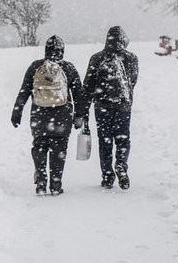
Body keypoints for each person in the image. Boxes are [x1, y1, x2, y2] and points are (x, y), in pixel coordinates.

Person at [11, 35, 87, 195]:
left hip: (39, 115)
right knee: (59, 149)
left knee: (39, 146)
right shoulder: (68, 68)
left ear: (46, 50)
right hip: (62, 117)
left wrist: (17, 110)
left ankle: (41, 181)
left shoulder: (36, 67)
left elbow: (24, 90)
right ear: (62, 51)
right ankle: (55, 185)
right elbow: (79, 94)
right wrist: (80, 115)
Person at [83, 26, 139, 190]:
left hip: (102, 106)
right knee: (123, 139)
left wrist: (83, 111)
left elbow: (88, 86)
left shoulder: (97, 58)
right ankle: (121, 163)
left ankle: (107, 177)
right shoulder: (131, 58)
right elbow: (133, 81)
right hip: (123, 105)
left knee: (105, 142)